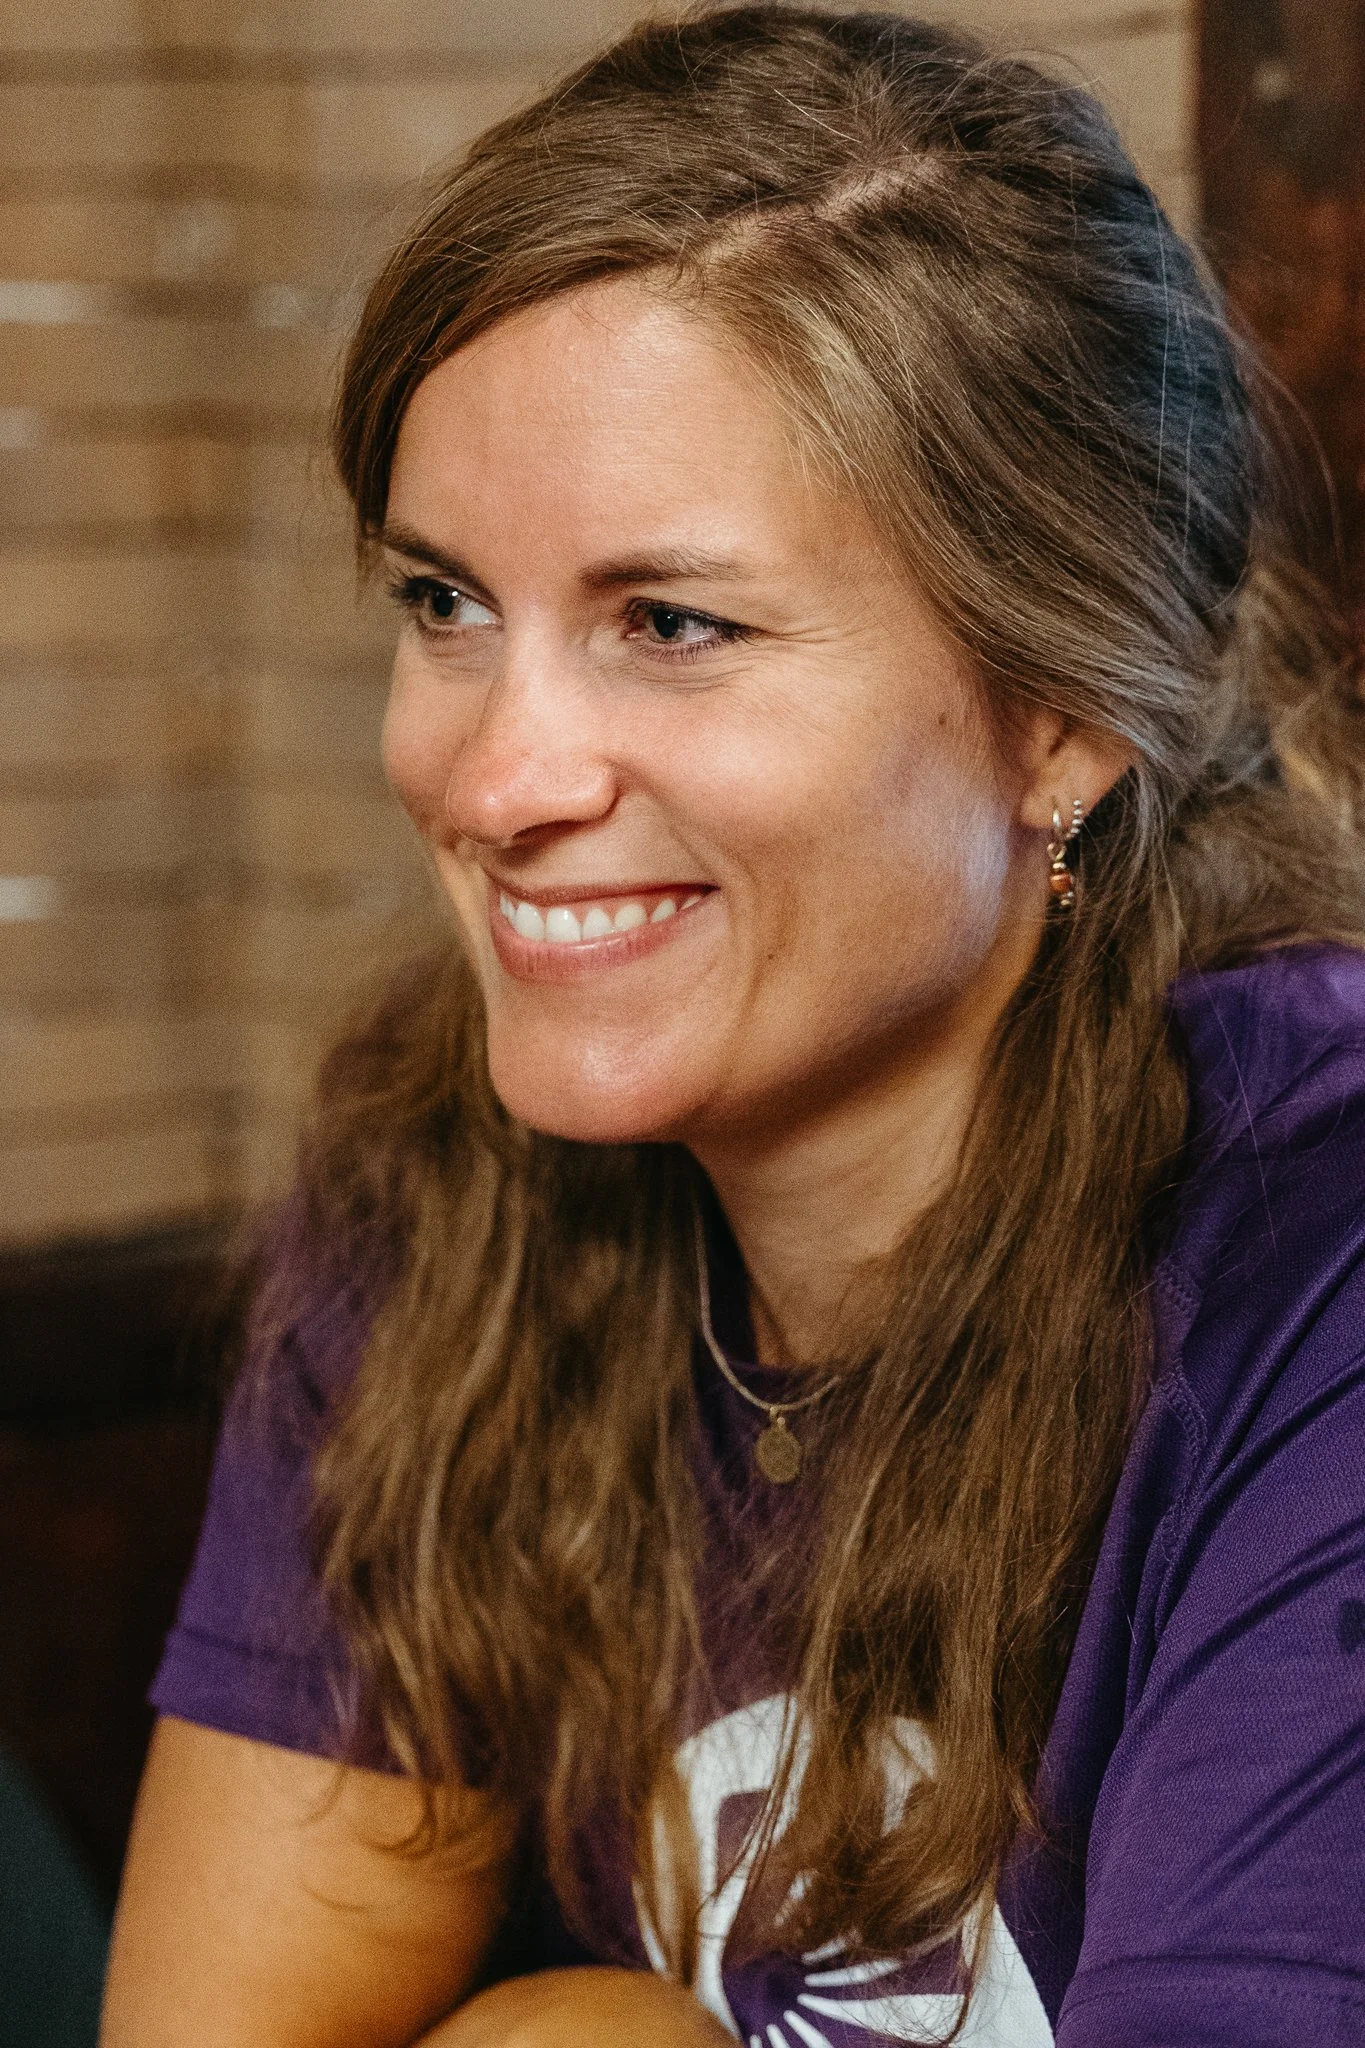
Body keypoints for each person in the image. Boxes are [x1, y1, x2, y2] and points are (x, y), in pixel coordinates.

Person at [101, 8, 1365, 2045]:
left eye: (670, 625)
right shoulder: (448, 1163)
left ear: (1063, 717)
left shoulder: (1318, 1256)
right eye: (445, 605)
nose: (496, 778)